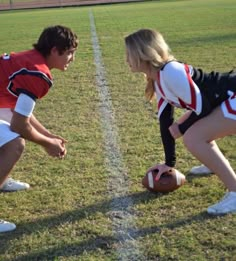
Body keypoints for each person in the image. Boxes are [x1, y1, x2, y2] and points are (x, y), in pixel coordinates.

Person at [125, 28, 236, 215]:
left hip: (231, 96)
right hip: (223, 99)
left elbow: (203, 107)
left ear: (142, 53)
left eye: (129, 54)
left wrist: (181, 127)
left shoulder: (170, 71)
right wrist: (169, 162)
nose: (126, 60)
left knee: (193, 137)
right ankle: (212, 163)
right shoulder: (158, 80)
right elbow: (165, 122)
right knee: (194, 131)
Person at [0, 25, 78, 232]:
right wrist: (47, 144)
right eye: (70, 53)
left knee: (8, 134)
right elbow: (19, 124)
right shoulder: (38, 73)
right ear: (54, 50)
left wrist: (48, 135)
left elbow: (16, 111)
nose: (72, 58)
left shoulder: (30, 59)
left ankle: (2, 178)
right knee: (14, 144)